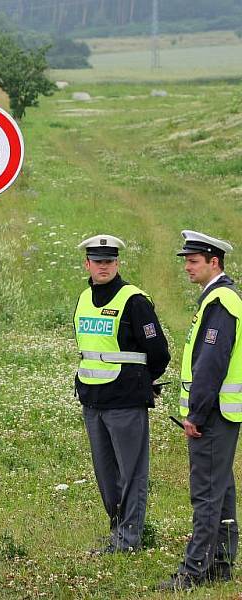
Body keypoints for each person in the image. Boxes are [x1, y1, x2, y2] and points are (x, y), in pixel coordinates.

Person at [73, 234, 170, 554]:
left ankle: (129, 540)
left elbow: (159, 353)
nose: (104, 267)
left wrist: (138, 382)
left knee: (131, 474)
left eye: (110, 261)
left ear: (117, 263)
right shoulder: (84, 298)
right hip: (93, 400)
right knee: (106, 474)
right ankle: (117, 532)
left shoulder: (135, 300)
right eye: (98, 262)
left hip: (126, 401)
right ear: (87, 264)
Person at [158, 230, 241, 591]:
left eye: (193, 261)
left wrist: (196, 414)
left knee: (206, 492)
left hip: (214, 414)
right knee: (221, 489)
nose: (188, 267)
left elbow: (211, 363)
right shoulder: (221, 298)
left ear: (214, 262)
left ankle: (193, 573)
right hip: (223, 412)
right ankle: (221, 565)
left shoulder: (221, 302)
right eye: (187, 261)